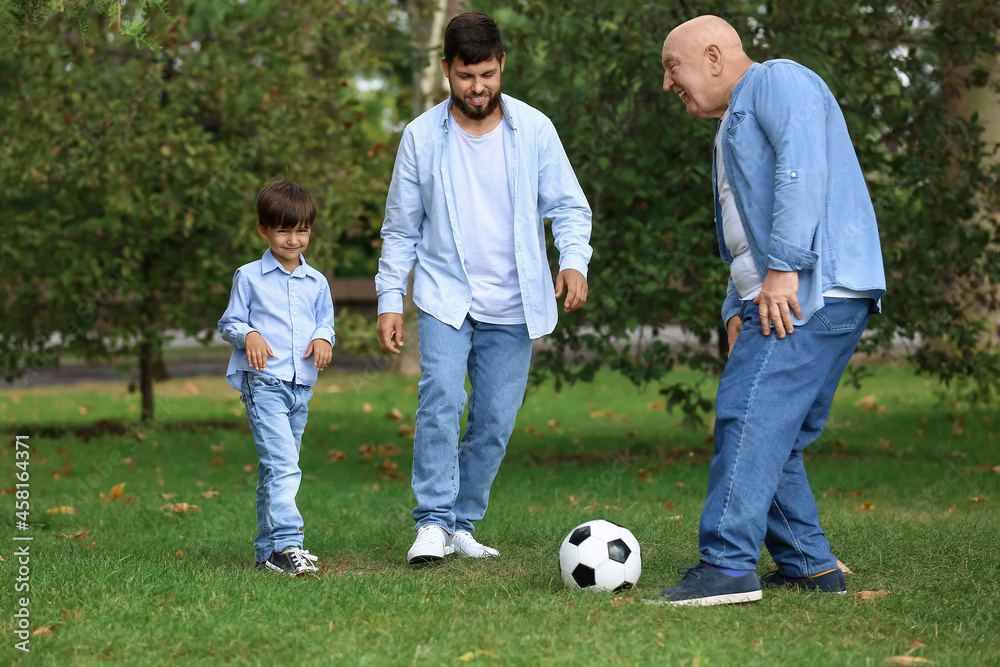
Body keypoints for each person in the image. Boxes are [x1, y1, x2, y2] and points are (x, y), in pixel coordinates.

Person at [647, 15, 886, 606]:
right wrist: (737, 302)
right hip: (788, 293)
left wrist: (783, 272)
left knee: (746, 420)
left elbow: (800, 171)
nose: (666, 84)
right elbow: (741, 230)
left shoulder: (777, 81)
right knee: (773, 434)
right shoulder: (732, 123)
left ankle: (727, 566)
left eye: (671, 67)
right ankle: (811, 566)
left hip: (809, 289)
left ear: (711, 56)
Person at [375, 12, 593, 565]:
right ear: (447, 69)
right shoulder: (420, 138)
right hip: (446, 296)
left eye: (489, 74)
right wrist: (389, 301)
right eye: (467, 75)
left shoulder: (535, 131)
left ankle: (461, 524)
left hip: (515, 302)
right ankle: (431, 521)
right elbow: (401, 229)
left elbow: (568, 207)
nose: (479, 88)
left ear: (503, 66)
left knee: (494, 421)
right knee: (441, 398)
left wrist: (573, 263)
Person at [219, 181, 335, 576]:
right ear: (263, 230)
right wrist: (248, 334)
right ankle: (289, 543)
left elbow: (326, 324)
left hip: (300, 387)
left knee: (277, 467)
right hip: (263, 383)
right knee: (284, 464)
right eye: (284, 230)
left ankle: (267, 551)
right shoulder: (249, 277)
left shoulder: (317, 282)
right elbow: (230, 321)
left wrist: (323, 339)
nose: (293, 239)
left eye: (301, 230)